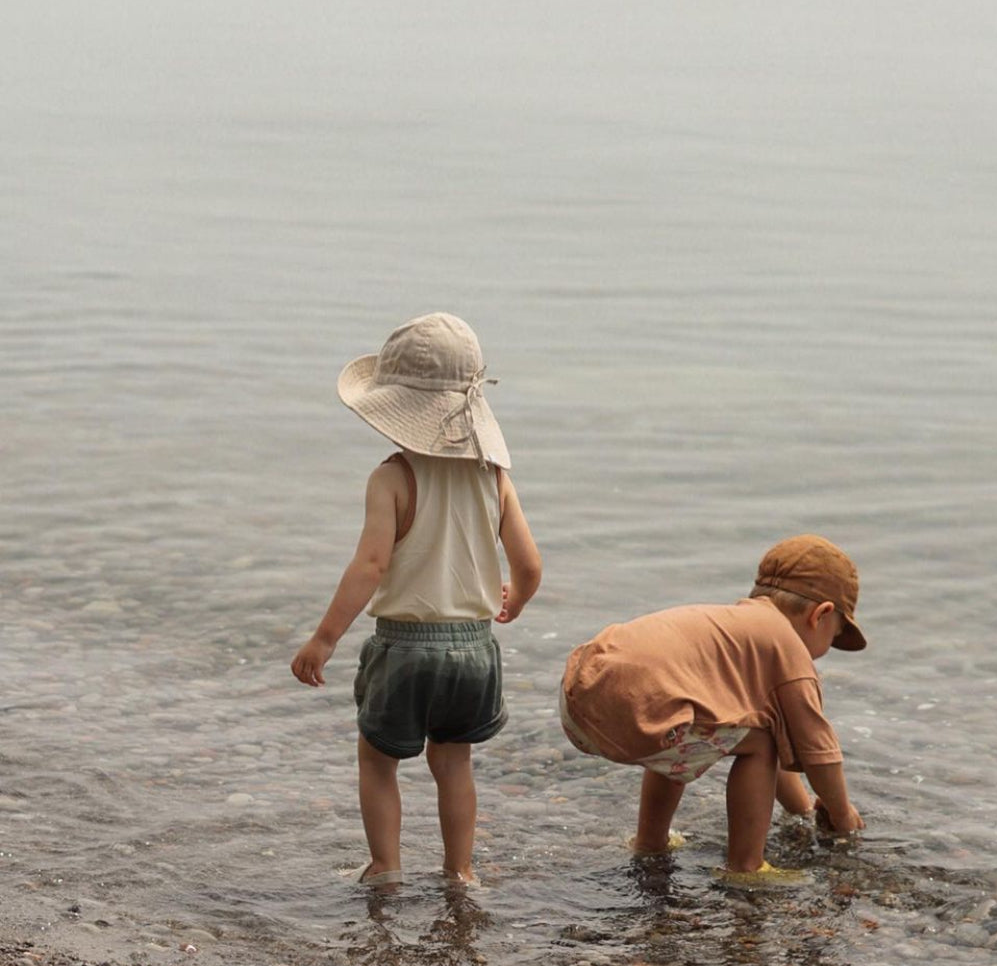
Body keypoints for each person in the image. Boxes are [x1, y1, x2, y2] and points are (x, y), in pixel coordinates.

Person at [291, 312, 542, 887]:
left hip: (404, 648)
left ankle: (386, 867)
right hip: (475, 650)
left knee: (379, 761)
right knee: (453, 764)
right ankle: (460, 872)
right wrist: (517, 599)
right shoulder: (494, 475)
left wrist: (324, 637)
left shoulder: (391, 479)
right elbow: (528, 565)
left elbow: (371, 565)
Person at [559, 534, 865, 883]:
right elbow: (820, 753)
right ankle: (746, 867)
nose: (824, 651)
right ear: (821, 615)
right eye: (834, 635)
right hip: (642, 710)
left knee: (690, 724)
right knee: (760, 743)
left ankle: (650, 843)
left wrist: (804, 811)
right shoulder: (789, 651)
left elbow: (781, 746)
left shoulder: (734, 628)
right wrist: (843, 817)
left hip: (581, 694)